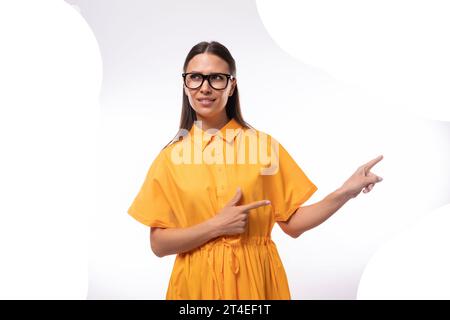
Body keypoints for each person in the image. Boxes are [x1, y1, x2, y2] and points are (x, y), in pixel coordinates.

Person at [127, 40, 384, 300]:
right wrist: (215, 226)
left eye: (216, 78)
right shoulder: (171, 158)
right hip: (196, 287)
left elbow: (293, 224)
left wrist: (344, 192)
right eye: (195, 78)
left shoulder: (264, 148)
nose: (205, 88)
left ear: (231, 84)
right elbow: (158, 245)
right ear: (185, 85)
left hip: (257, 280)